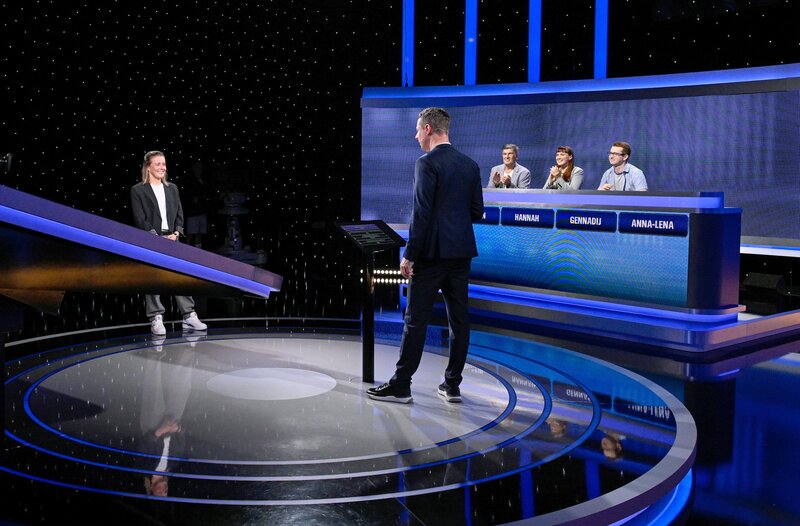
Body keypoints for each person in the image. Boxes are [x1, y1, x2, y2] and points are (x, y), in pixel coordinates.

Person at [367, 107, 484, 404]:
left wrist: (409, 255)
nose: (416, 135)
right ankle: (452, 386)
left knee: (415, 320)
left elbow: (421, 214)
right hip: (461, 253)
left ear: (429, 129)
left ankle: (401, 385)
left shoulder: (426, 163)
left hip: (431, 254)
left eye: (418, 129)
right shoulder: (470, 165)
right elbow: (476, 212)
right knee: (459, 321)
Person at [131, 150, 208, 335]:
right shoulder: (138, 190)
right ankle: (156, 317)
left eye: (164, 164)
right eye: (158, 164)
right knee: (153, 278)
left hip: (173, 239)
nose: (162, 167)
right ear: (148, 167)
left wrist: (177, 232)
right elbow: (140, 218)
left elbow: (180, 213)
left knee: (179, 276)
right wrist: (155, 236)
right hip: (152, 239)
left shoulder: (172, 188)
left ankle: (189, 315)